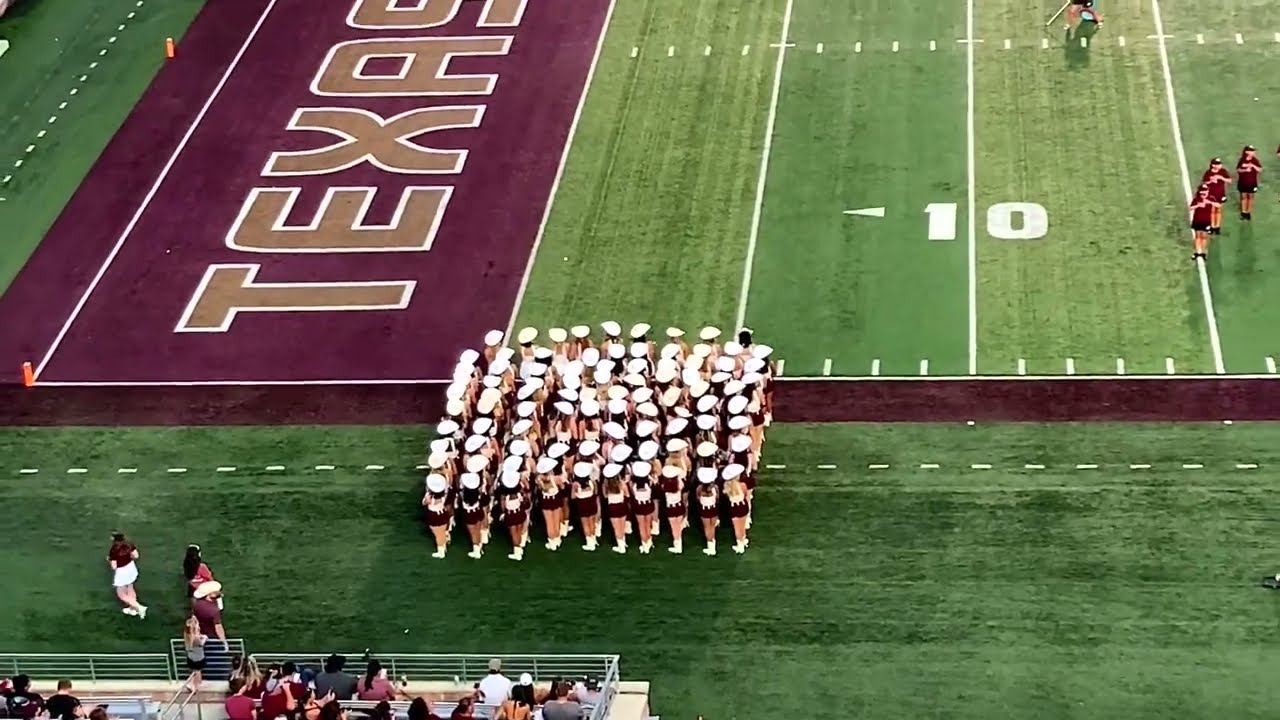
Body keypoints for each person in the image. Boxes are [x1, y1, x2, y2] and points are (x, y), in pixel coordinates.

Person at [107, 532, 146, 618]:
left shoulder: (114, 549)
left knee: (121, 594)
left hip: (122, 571)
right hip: (131, 568)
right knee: (130, 587)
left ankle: (139, 607)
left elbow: (114, 566)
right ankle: (132, 609)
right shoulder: (129, 544)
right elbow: (136, 556)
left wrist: (109, 560)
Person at [1202, 158, 1232, 235]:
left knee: (1218, 210)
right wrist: (1210, 181)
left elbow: (1229, 180)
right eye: (1216, 164)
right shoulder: (1208, 173)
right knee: (1212, 211)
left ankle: (1217, 226)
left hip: (1220, 194)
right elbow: (1204, 183)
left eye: (1218, 164)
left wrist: (1221, 178)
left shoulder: (1223, 172)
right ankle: (1212, 226)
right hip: (1211, 194)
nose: (1217, 165)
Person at [1190, 182, 1215, 260]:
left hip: (1206, 221)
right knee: (1198, 236)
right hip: (1197, 220)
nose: (1204, 193)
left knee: (1204, 236)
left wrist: (1209, 202)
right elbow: (1190, 208)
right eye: (1202, 191)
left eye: (1205, 191)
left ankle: (1203, 252)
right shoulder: (1197, 199)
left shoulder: (1211, 198)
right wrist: (1198, 205)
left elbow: (1218, 205)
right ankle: (1198, 252)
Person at [183, 616, 209, 688]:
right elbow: (201, 643)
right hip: (199, 659)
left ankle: (193, 684)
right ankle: (195, 686)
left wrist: (193, 619)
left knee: (195, 670)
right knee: (198, 670)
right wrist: (205, 638)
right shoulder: (196, 638)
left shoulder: (186, 635)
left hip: (190, 659)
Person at [1237, 146, 1262, 220]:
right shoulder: (1242, 160)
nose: (1253, 152)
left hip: (1252, 182)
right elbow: (1238, 170)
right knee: (1243, 197)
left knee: (1251, 197)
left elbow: (1260, 169)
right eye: (1251, 151)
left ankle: (1248, 212)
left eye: (1253, 151)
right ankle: (1243, 212)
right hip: (1243, 182)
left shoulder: (1255, 160)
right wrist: (1245, 170)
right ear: (1246, 152)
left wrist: (1252, 165)